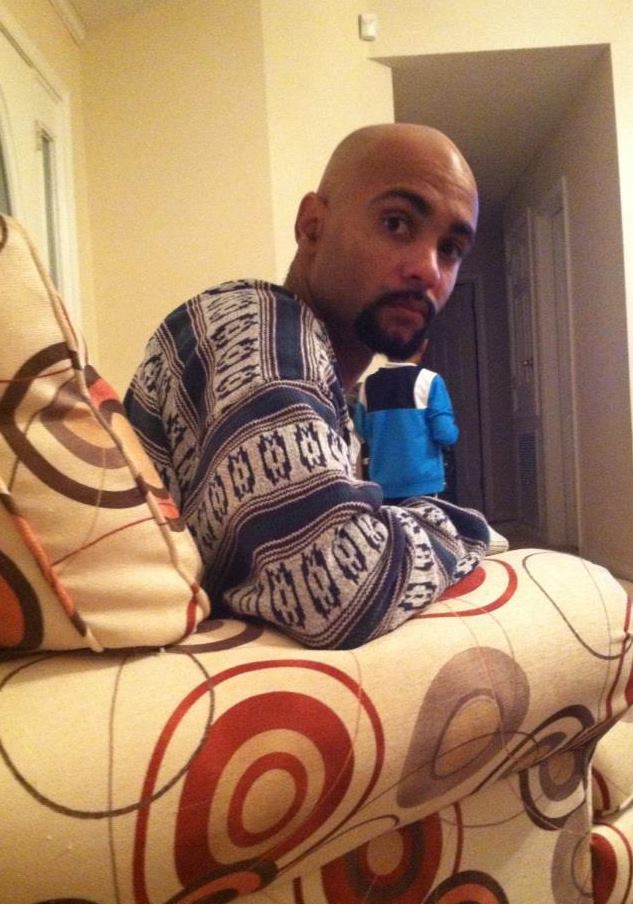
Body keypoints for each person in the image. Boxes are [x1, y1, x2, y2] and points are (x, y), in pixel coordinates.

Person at [125, 123, 507, 649]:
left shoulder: (315, 369)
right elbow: (336, 591)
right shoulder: (259, 329)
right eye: (397, 223)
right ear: (312, 225)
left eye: (450, 248)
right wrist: (466, 528)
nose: (428, 269)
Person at [354, 340, 459, 503]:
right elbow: (445, 434)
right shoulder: (430, 380)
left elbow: (361, 431)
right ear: (423, 345)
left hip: (382, 484)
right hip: (423, 483)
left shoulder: (368, 384)